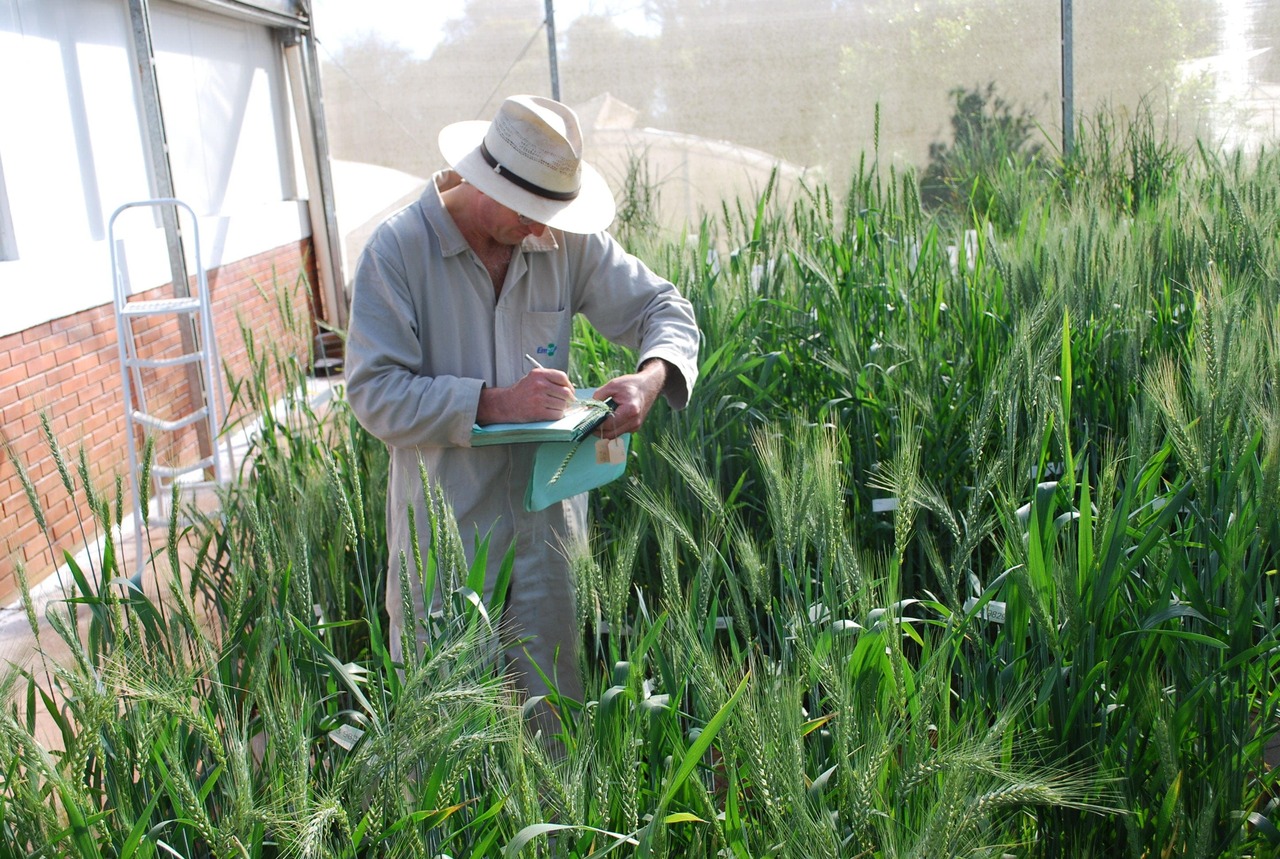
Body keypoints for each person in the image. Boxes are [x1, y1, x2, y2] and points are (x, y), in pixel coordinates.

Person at [343, 94, 700, 718]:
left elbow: (663, 309)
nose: (541, 229)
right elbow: (374, 393)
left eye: (551, 212)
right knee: (443, 731)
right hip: (446, 530)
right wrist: (493, 403)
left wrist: (650, 377)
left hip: (550, 527)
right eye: (529, 212)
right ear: (484, 180)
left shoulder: (564, 240)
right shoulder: (396, 252)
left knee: (553, 722)